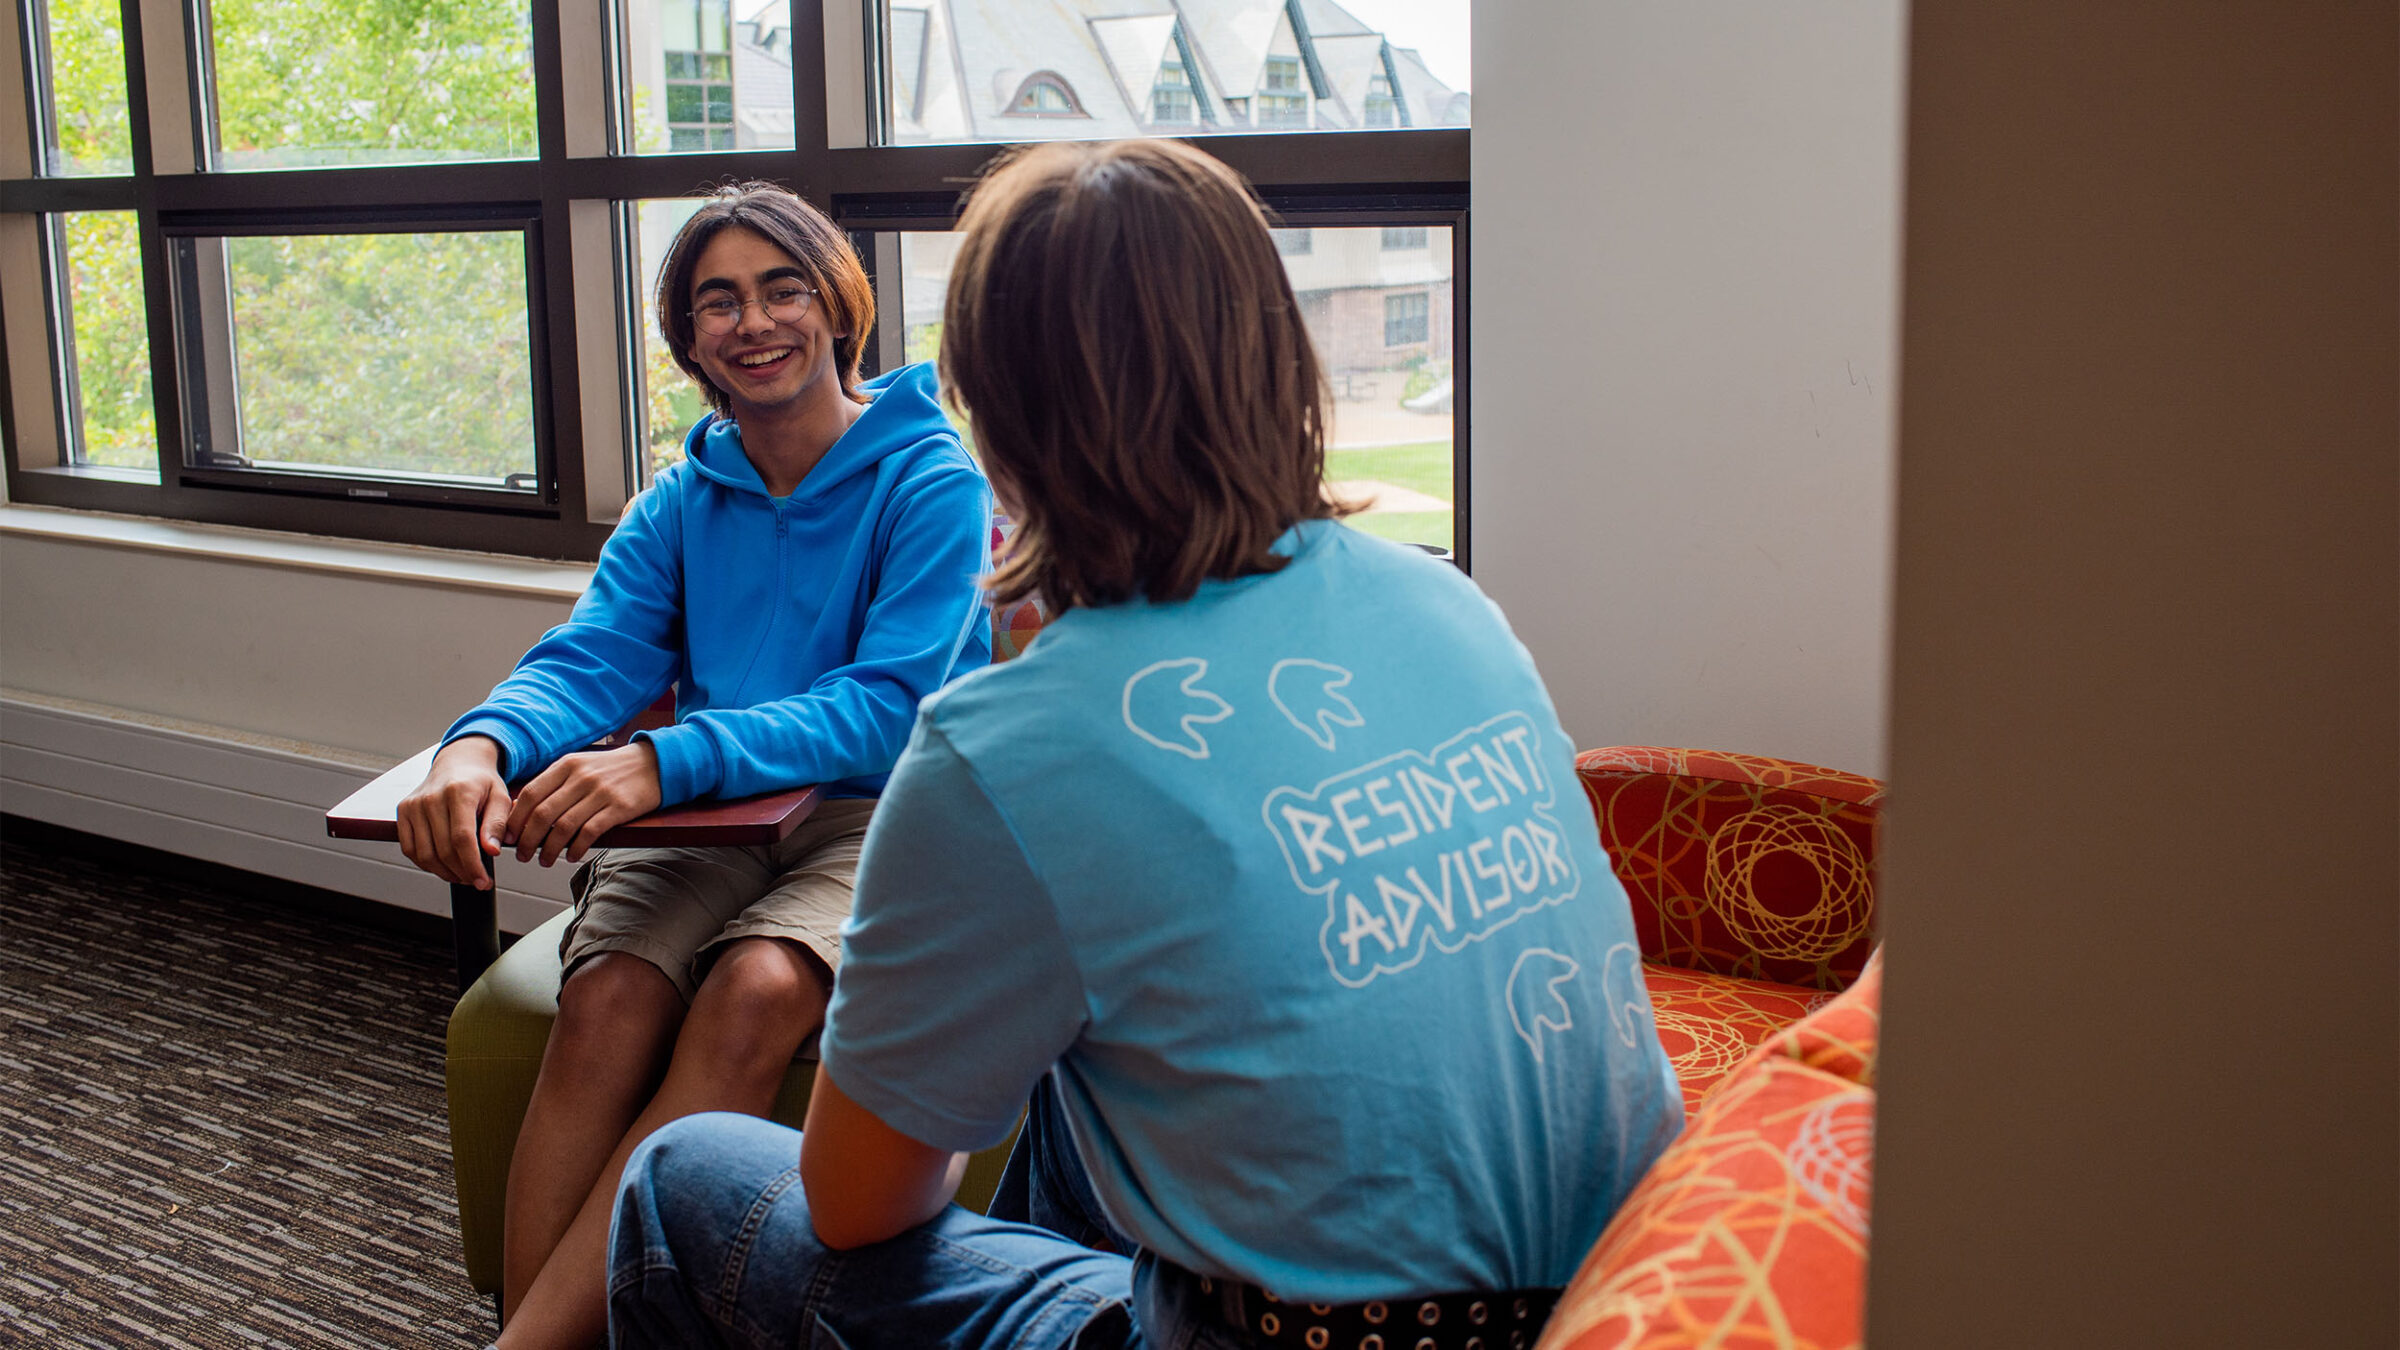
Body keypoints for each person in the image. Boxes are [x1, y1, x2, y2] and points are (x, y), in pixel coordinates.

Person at [607, 141, 1681, 1350]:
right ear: (1278, 355)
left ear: (999, 415)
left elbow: (859, 1210)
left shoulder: (1010, 746)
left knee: (683, 1179)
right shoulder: (1447, 607)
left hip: (1289, 1334)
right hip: (1616, 1288)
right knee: (1086, 1071)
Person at [393, 182, 992, 1350]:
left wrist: (667, 761)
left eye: (783, 289)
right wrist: (478, 745)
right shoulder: (681, 498)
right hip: (717, 814)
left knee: (755, 991)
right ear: (688, 339)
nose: (753, 322)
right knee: (608, 996)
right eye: (718, 301)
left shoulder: (932, 479)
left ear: (837, 306)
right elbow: (590, 659)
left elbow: (887, 706)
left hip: (883, 810)